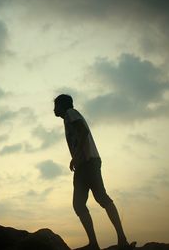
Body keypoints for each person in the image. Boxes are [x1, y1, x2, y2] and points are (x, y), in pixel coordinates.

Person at [54, 94, 134, 250]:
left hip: (88, 162)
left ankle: (117, 240)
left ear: (62, 106)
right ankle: (99, 243)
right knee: (83, 203)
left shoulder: (71, 113)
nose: (54, 109)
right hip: (85, 163)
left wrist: (76, 157)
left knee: (97, 199)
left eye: (56, 105)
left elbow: (83, 132)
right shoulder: (67, 119)